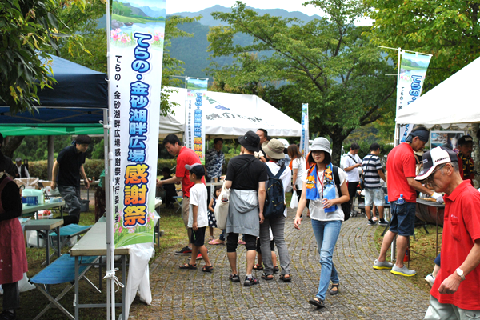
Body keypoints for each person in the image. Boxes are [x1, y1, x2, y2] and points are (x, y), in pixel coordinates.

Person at [414, 147, 480, 320]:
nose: (428, 184)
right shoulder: (450, 198)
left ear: (449, 169)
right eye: (425, 179)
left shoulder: (469, 198)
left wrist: (458, 276)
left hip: (468, 293)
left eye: (430, 177)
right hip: (444, 287)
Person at [373, 126, 442, 276]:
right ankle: (399, 264)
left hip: (394, 197)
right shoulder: (408, 154)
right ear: (415, 139)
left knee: (393, 228)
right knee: (403, 232)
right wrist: (432, 192)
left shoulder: (394, 151)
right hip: (405, 198)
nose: (423, 146)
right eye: (423, 142)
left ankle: (381, 259)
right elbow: (411, 181)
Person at [294, 137, 349, 308]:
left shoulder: (337, 172)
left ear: (326, 153)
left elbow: (347, 196)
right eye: (314, 151)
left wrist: (334, 201)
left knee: (325, 255)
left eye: (320, 151)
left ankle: (320, 297)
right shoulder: (308, 173)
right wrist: (298, 215)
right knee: (322, 252)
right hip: (316, 217)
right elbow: (303, 197)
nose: (317, 154)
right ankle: (335, 280)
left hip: (333, 217)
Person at [224, 130, 267, 286]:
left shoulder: (233, 162)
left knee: (231, 240)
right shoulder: (261, 166)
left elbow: (228, 185)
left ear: (243, 145)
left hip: (235, 202)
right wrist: (261, 211)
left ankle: (234, 274)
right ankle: (249, 276)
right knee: (250, 241)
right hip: (252, 203)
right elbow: (262, 190)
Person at [157, 134, 205, 258]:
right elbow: (181, 178)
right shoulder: (187, 152)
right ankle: (192, 245)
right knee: (192, 220)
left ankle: (198, 248)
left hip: (191, 192)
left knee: (190, 220)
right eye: (167, 148)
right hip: (195, 190)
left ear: (176, 143)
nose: (168, 150)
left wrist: (162, 182)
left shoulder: (182, 155)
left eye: (169, 147)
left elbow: (178, 178)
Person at [0, 136, 27, 320]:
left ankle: (9, 310)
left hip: (6, 232)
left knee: (8, 271)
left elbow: (16, 210)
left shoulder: (8, 186)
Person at [259, 139, 292, 281]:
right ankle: (286, 271)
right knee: (280, 240)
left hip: (265, 208)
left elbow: (260, 189)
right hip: (280, 207)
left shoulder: (262, 167)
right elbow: (287, 188)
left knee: (265, 239)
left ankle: (268, 271)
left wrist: (259, 210)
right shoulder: (287, 169)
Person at [178, 164, 213, 272]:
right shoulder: (203, 186)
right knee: (194, 242)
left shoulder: (193, 189)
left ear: (193, 175)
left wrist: (195, 221)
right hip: (203, 219)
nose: (188, 176)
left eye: (189, 174)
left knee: (199, 243)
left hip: (197, 221)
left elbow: (195, 206)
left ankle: (208, 264)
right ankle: (192, 262)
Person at [51, 135, 91, 226]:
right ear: (77, 144)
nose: (86, 147)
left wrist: (85, 179)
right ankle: (62, 224)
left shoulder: (82, 153)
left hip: (75, 183)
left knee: (77, 207)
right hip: (65, 184)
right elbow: (56, 164)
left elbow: (80, 166)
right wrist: (53, 181)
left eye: (87, 145)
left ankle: (73, 226)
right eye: (84, 145)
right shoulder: (66, 151)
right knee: (75, 206)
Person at [362, 143, 387, 226]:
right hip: (376, 184)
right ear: (378, 149)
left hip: (367, 185)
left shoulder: (364, 158)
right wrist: (385, 180)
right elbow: (380, 172)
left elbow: (362, 172)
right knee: (379, 202)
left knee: (367, 202)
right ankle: (381, 219)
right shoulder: (376, 159)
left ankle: (370, 220)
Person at [205, 137, 225, 206]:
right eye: (219, 144)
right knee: (209, 191)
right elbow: (204, 163)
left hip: (218, 175)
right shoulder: (209, 152)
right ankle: (209, 205)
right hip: (210, 175)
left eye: (221, 144)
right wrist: (206, 172)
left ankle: (217, 204)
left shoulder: (222, 153)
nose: (220, 145)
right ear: (215, 144)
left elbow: (223, 163)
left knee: (218, 190)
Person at [343, 143, 362, 215]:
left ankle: (352, 209)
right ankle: (348, 210)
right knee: (349, 195)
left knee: (353, 196)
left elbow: (360, 162)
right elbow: (346, 168)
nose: (356, 152)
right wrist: (354, 166)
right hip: (350, 179)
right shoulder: (347, 158)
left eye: (357, 151)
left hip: (356, 179)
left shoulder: (356, 156)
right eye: (355, 151)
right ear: (351, 149)